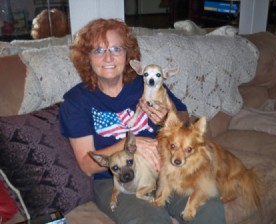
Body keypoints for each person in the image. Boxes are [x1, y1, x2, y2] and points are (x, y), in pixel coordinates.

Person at [59, 18, 225, 224]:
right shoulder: (76, 101)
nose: (109, 57)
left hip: (166, 169)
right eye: (98, 51)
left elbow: (183, 117)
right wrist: (132, 144)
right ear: (87, 58)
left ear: (128, 54)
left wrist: (169, 117)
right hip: (120, 181)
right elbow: (87, 165)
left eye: (116, 49)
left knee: (208, 209)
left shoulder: (147, 82)